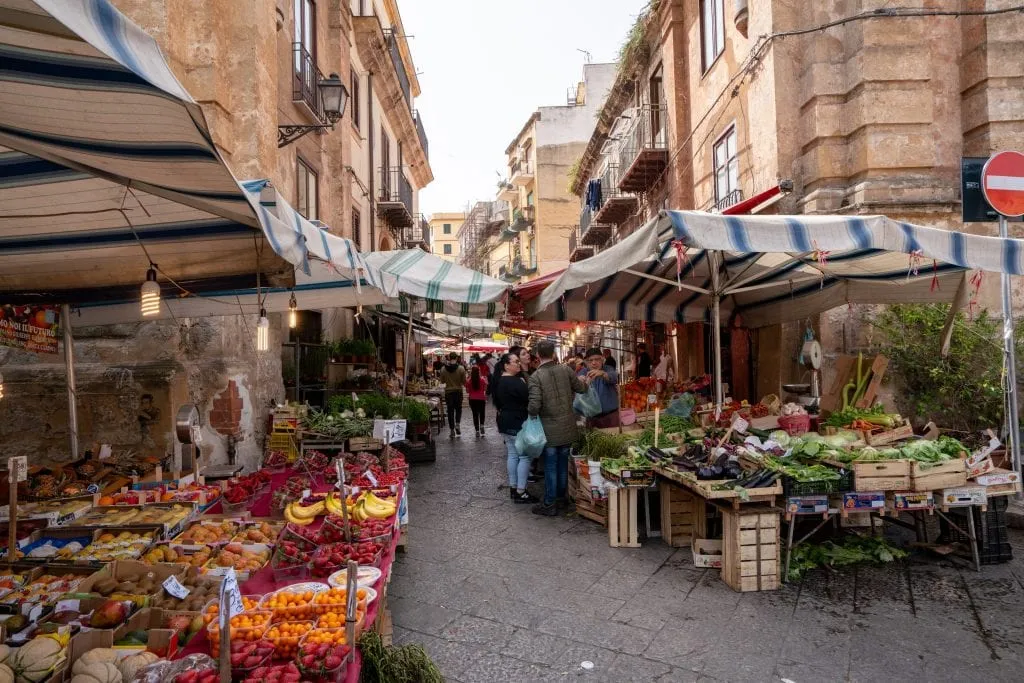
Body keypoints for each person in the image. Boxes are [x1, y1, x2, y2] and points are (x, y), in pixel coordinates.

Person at [528, 340, 587, 516]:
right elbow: (581, 388)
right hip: (568, 426)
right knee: (562, 463)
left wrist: (531, 412)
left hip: (549, 429)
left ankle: (549, 503)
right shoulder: (566, 369)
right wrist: (585, 380)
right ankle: (562, 499)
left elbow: (534, 406)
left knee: (551, 466)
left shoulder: (536, 377)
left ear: (538, 355)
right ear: (553, 353)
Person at [493, 353, 537, 504]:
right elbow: (529, 399)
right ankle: (521, 491)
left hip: (504, 421)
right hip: (518, 422)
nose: (518, 364)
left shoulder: (498, 381)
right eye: (516, 362)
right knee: (524, 457)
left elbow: (496, 403)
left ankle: (513, 488)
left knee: (512, 454)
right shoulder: (517, 382)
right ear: (506, 365)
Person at [580, 347, 620, 429]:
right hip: (591, 419)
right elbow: (575, 385)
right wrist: (578, 380)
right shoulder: (583, 372)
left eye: (597, 359)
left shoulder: (608, 369)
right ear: (587, 362)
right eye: (590, 360)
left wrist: (603, 374)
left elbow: (614, 377)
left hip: (610, 417)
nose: (594, 363)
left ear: (602, 360)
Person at [439, 352, 467, 438]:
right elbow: (464, 382)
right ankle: (457, 424)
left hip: (448, 393)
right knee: (458, 409)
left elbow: (442, 381)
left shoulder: (443, 369)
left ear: (449, 358)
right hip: (458, 391)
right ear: (456, 358)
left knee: (450, 411)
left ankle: (452, 430)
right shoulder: (461, 369)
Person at [465, 365, 489, 437]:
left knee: (475, 415)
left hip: (472, 399)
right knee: (482, 413)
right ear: (479, 371)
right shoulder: (482, 380)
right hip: (481, 399)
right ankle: (482, 425)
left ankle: (477, 431)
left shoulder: (469, 381)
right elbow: (485, 389)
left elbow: (467, 391)